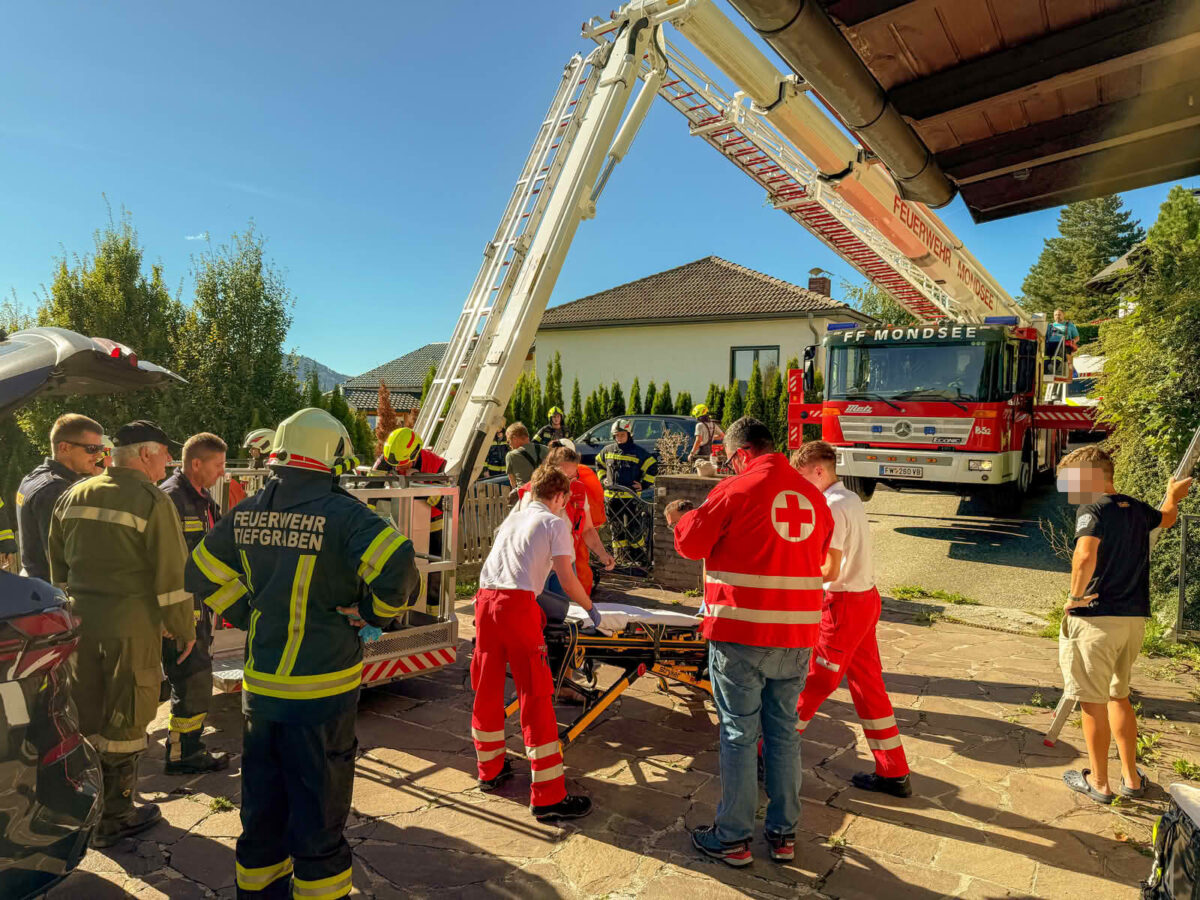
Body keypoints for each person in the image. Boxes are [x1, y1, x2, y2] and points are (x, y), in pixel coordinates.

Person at [188, 408, 420, 899]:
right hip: (322, 692)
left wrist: (246, 610)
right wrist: (372, 614)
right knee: (318, 814)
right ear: (331, 458)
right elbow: (398, 565)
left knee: (262, 811)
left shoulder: (248, 511)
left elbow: (202, 569)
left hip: (262, 691)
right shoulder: (345, 514)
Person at [667, 416, 833, 867]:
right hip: (797, 636)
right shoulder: (814, 498)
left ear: (741, 453)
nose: (728, 466)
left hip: (742, 634)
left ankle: (734, 838)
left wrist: (680, 519)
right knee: (784, 734)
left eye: (728, 459)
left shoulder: (734, 490)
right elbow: (816, 557)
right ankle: (783, 836)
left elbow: (692, 545)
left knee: (739, 735)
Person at [47, 420, 196, 847]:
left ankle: (87, 808)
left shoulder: (73, 494)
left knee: (87, 714)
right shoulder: (152, 500)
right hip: (131, 629)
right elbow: (172, 577)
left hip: (80, 627)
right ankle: (116, 815)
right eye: (165, 454)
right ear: (146, 454)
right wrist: (183, 629)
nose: (169, 462)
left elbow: (58, 568)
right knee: (127, 717)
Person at [1057, 445, 1191, 804]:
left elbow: (1084, 555)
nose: (1068, 489)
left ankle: (1099, 783)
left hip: (1096, 620)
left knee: (1091, 702)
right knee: (1119, 695)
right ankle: (1131, 777)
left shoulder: (1092, 508)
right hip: (1133, 620)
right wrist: (1173, 495)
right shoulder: (1134, 508)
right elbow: (1167, 518)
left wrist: (1074, 597)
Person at [470, 466, 599, 822]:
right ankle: (547, 796)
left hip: (484, 602)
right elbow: (567, 579)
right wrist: (591, 608)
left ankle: (489, 769)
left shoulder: (513, 519)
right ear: (558, 497)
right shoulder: (554, 523)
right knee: (535, 694)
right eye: (565, 501)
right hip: (517, 608)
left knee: (487, 687)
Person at [791, 440, 912, 797]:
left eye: (803, 478)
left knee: (814, 682)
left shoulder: (830, 506)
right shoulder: (852, 498)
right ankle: (894, 771)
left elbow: (829, 569)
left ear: (818, 471)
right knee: (868, 685)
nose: (801, 487)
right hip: (865, 599)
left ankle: (768, 752)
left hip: (842, 606)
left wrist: (794, 574)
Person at [158, 433, 231, 774]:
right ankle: (183, 754)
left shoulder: (202, 499)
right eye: (218, 465)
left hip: (199, 605)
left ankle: (185, 749)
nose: (223, 472)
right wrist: (170, 617)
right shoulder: (170, 499)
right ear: (196, 464)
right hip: (181, 609)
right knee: (192, 679)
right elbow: (162, 563)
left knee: (194, 678)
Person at [516, 446, 615, 598]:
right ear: (549, 471)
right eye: (564, 477)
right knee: (539, 610)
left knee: (564, 608)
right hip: (537, 566)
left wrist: (602, 554)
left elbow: (587, 529)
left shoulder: (579, 492)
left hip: (567, 564)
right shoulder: (532, 494)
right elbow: (526, 535)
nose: (569, 483)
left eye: (573, 476)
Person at [15, 413, 106, 579]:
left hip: (36, 583)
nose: (98, 456)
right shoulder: (56, 490)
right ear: (64, 448)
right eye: (92, 449)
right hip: (53, 589)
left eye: (101, 449)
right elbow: (62, 558)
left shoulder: (33, 477)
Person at [375, 427, 448, 607]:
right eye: (394, 465)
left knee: (434, 572)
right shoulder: (388, 458)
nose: (397, 468)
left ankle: (432, 612)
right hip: (398, 523)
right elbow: (370, 488)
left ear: (415, 454)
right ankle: (399, 609)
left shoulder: (435, 464)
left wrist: (420, 483)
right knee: (399, 569)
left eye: (402, 464)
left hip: (432, 524)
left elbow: (443, 501)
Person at [596, 420, 657, 564]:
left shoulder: (638, 452)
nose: (619, 438)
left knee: (634, 528)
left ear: (629, 434)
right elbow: (599, 464)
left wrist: (644, 484)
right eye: (616, 435)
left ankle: (638, 558)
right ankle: (620, 559)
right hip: (611, 499)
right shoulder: (607, 450)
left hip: (631, 498)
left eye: (622, 435)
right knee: (616, 529)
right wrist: (603, 479)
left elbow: (652, 467)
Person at [505, 422, 549, 490]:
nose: (509, 445)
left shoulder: (511, 455)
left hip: (526, 494)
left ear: (514, 438)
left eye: (508, 441)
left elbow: (513, 483)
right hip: (547, 492)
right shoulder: (546, 449)